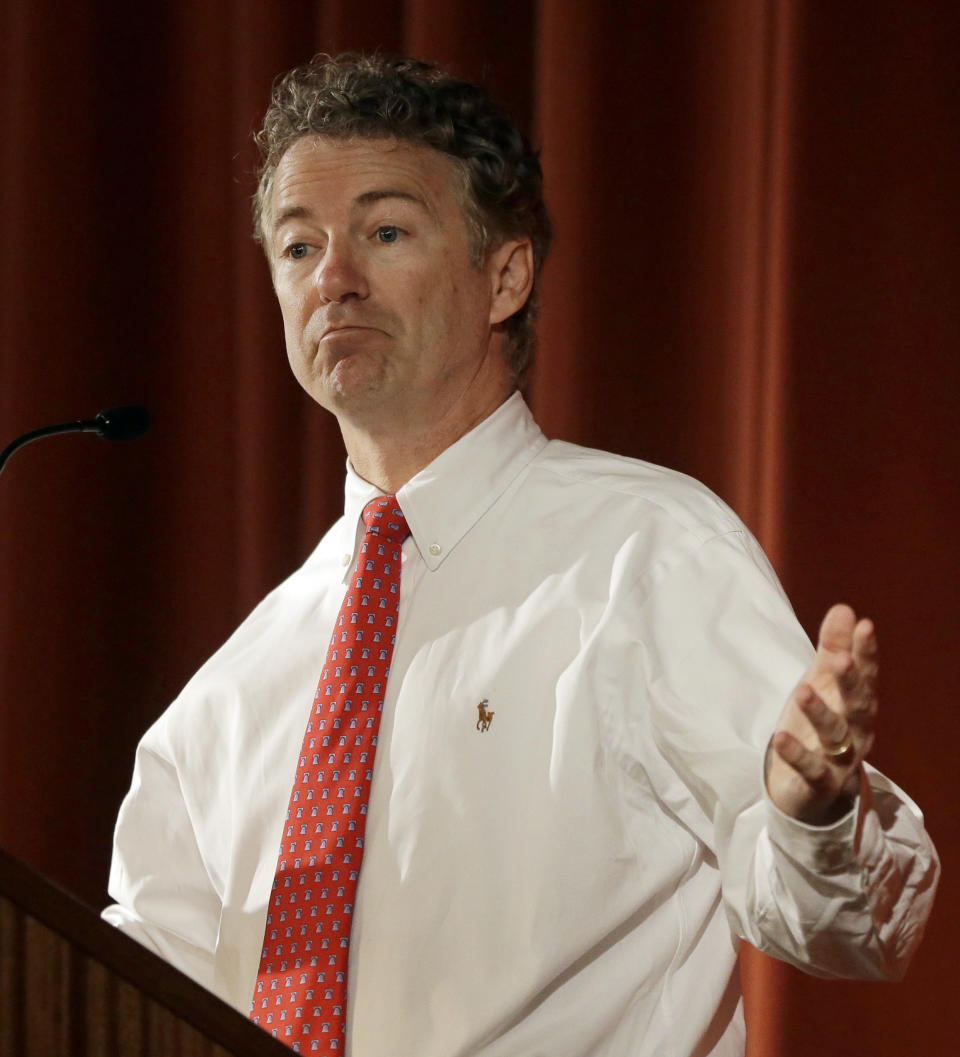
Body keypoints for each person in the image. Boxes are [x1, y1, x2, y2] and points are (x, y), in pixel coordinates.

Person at [103, 54, 939, 1057]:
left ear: (505, 274)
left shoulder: (647, 552)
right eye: (296, 245)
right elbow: (121, 1005)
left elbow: (853, 929)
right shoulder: (225, 702)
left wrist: (814, 816)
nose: (332, 277)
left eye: (384, 231)